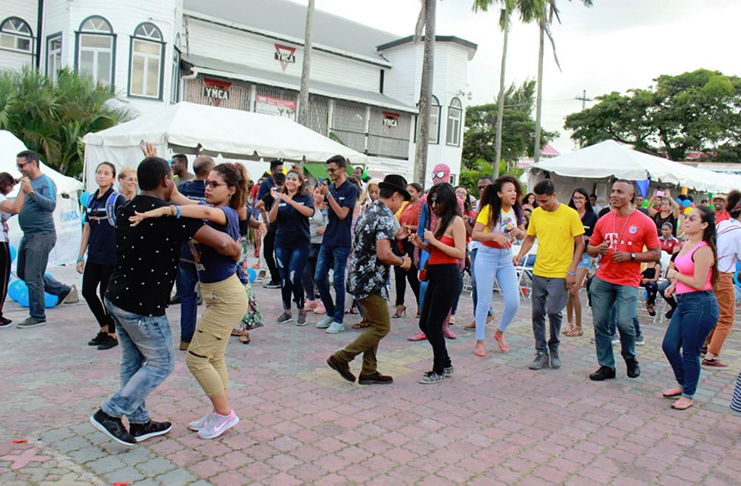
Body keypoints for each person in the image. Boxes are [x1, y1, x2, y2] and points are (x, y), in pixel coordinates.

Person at [90, 156, 241, 447]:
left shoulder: (126, 207)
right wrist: (236, 252)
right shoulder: (172, 216)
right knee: (161, 364)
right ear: (166, 181)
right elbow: (222, 243)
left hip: (116, 297)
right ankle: (111, 413)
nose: (207, 187)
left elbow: (177, 198)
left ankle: (139, 422)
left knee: (133, 361)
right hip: (142, 305)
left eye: (213, 183)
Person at [130, 161, 249, 439]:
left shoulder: (226, 213)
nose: (208, 188)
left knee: (196, 358)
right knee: (214, 356)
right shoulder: (206, 209)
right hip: (215, 294)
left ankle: (225, 414)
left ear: (231, 190)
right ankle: (221, 410)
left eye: (215, 184)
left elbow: (198, 209)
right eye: (207, 183)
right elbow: (176, 195)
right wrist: (160, 169)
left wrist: (168, 210)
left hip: (226, 296)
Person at [327, 175, 412, 385]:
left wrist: (396, 235)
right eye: (401, 200)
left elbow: (369, 242)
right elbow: (384, 254)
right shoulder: (384, 217)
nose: (400, 205)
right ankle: (342, 357)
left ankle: (369, 370)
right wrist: (403, 262)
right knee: (382, 326)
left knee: (374, 323)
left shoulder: (370, 210)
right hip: (370, 280)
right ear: (395, 196)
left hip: (359, 276)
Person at [587, 180, 661, 381]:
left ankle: (629, 357)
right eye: (612, 191)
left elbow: (656, 253)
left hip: (628, 280)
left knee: (624, 322)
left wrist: (632, 256)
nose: (614, 195)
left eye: (620, 192)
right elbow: (590, 248)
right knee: (600, 323)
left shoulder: (645, 222)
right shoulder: (603, 220)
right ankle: (606, 366)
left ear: (631, 196)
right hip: (603, 279)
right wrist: (597, 249)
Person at [514, 179, 585, 371]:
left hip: (560, 272)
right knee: (537, 313)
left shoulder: (570, 214)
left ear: (554, 195)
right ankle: (541, 352)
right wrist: (520, 254)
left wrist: (572, 270)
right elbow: (530, 237)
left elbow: (580, 243)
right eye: (538, 201)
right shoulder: (537, 213)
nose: (541, 205)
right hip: (540, 270)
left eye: (545, 201)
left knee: (554, 311)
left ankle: (554, 348)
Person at [661, 206, 719, 410]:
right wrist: (674, 283)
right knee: (669, 345)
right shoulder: (686, 244)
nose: (686, 221)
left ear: (704, 225)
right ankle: (683, 383)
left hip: (700, 304)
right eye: (686, 217)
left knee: (690, 351)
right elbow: (679, 268)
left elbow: (698, 281)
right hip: (684, 302)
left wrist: (675, 276)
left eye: (692, 219)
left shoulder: (704, 249)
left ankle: (688, 393)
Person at [410, 183, 465, 383]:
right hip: (435, 274)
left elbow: (460, 253)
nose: (433, 205)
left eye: (437, 200)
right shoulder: (441, 220)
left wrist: (433, 241)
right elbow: (437, 250)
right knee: (425, 322)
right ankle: (446, 362)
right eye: (431, 201)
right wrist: (422, 244)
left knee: (434, 324)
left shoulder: (456, 221)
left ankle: (438, 368)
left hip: (448, 277)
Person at [16, 150, 78, 329]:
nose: (20, 169)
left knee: (33, 277)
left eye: (22, 165)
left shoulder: (45, 182)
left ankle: (37, 316)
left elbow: (51, 205)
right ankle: (62, 290)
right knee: (23, 273)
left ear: (33, 163)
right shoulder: (27, 183)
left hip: (42, 235)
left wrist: (32, 192)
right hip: (28, 234)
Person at [471, 175, 525, 357]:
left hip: (506, 258)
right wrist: (494, 236)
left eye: (515, 190)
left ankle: (499, 332)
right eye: (509, 190)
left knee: (513, 302)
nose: (513, 193)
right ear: (500, 193)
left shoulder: (516, 210)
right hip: (486, 256)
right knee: (484, 301)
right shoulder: (489, 209)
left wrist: (519, 232)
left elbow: (523, 234)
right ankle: (479, 341)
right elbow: (476, 234)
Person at [77, 162, 127, 350]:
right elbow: (87, 227)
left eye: (106, 173)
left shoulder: (116, 199)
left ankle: (113, 334)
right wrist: (80, 256)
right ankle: (104, 327)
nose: (102, 176)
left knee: (107, 295)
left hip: (111, 256)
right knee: (88, 292)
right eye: (99, 172)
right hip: (95, 255)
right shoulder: (91, 200)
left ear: (113, 178)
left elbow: (125, 227)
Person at [174, 156, 215, 350]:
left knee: (188, 296)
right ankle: (210, 338)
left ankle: (186, 338)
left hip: (184, 251)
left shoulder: (182, 190)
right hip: (209, 251)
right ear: (210, 171)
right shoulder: (215, 191)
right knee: (214, 297)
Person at [315, 155, 359, 334]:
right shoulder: (331, 188)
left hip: (342, 241)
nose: (330, 173)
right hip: (328, 239)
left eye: (332, 170)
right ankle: (331, 312)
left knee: (339, 281)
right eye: (328, 170)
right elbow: (332, 211)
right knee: (319, 277)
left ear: (342, 169)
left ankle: (339, 319)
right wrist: (326, 203)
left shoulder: (350, 189)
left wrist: (329, 196)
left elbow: (342, 214)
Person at [270, 169, 314, 325]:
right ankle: (287, 311)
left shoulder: (305, 197)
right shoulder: (280, 198)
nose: (290, 181)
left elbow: (309, 212)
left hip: (300, 243)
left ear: (300, 182)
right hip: (282, 242)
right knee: (283, 278)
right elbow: (271, 218)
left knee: (294, 276)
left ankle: (301, 310)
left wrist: (289, 200)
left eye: (294, 179)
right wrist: (277, 200)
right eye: (288, 179)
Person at [703, 190, 741, 368]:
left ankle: (704, 345)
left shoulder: (721, 225)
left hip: (712, 272)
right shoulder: (738, 231)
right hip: (725, 275)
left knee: (715, 313)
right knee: (726, 318)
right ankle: (712, 355)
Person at [564, 188, 598, 338]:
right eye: (575, 197)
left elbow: (597, 236)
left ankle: (579, 325)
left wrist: (586, 239)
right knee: (568, 289)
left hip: (584, 256)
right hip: (568, 255)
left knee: (574, 289)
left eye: (580, 198)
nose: (577, 200)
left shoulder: (592, 216)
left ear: (586, 200)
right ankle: (569, 323)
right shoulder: (568, 214)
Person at [464, 177, 495, 331]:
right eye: (480, 187)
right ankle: (482, 314)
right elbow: (474, 233)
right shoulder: (478, 206)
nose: (482, 190)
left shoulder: (495, 206)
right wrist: (467, 223)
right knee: (476, 283)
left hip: (488, 248)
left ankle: (485, 313)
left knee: (480, 282)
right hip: (476, 246)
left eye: (485, 187)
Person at [0, 173, 28, 327]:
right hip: (0, 242)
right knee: (2, 280)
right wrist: (24, 190)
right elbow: (15, 208)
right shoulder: (0, 199)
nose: (11, 190)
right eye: (9, 186)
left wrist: (17, 182)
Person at [393, 183, 423, 318]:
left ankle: (420, 303)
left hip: (412, 241)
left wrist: (410, 227)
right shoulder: (405, 206)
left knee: (412, 275)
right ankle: (400, 304)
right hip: (401, 241)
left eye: (411, 191)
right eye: (407, 191)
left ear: (419, 193)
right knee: (399, 274)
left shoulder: (420, 207)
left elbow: (422, 227)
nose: (409, 194)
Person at [258, 160, 285, 289]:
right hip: (275, 224)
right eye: (279, 170)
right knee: (272, 251)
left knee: (272, 251)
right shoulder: (267, 186)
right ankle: (279, 277)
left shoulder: (273, 192)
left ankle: (277, 278)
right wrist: (265, 219)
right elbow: (259, 203)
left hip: (278, 226)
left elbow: (258, 204)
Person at [302, 186, 328, 315]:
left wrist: (326, 229)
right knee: (306, 273)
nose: (318, 195)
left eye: (321, 193)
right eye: (316, 192)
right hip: (307, 243)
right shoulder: (308, 208)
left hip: (321, 244)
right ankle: (311, 298)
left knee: (320, 275)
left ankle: (324, 301)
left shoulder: (326, 209)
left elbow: (332, 223)